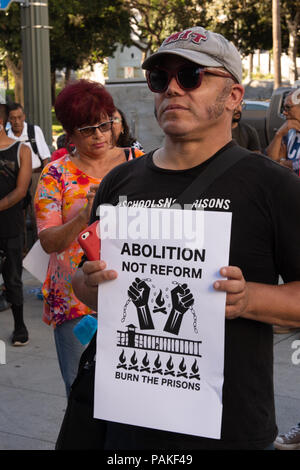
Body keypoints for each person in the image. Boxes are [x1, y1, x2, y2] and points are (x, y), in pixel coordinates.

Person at [72, 27, 300, 450]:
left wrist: (249, 299)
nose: (173, 88)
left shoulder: (273, 187)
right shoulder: (121, 182)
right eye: (161, 78)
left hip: (229, 427)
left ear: (233, 96)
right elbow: (84, 284)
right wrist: (92, 282)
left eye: (191, 76)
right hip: (129, 421)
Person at [34, 79, 143, 397]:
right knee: (82, 389)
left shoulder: (137, 161)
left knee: (131, 388)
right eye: (87, 129)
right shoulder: (56, 175)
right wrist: (84, 215)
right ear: (69, 133)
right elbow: (49, 242)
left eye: (104, 125)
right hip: (74, 302)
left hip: (132, 295)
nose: (99, 135)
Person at [0, 103, 32, 345]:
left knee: (13, 277)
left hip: (10, 225)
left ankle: (20, 326)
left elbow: (21, 191)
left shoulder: (21, 150)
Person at [8, 102, 51, 249]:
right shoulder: (7, 135)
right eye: (13, 118)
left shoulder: (33, 131)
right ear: (8, 119)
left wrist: (45, 180)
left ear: (24, 116)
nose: (17, 121)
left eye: (19, 117)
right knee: (18, 214)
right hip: (15, 177)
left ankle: (40, 249)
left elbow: (45, 156)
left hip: (35, 175)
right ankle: (22, 249)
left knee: (37, 213)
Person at [266, 88, 300, 175]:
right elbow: (270, 161)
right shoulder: (289, 130)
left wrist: (282, 162)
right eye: (283, 108)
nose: (284, 112)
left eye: (287, 107)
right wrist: (279, 135)